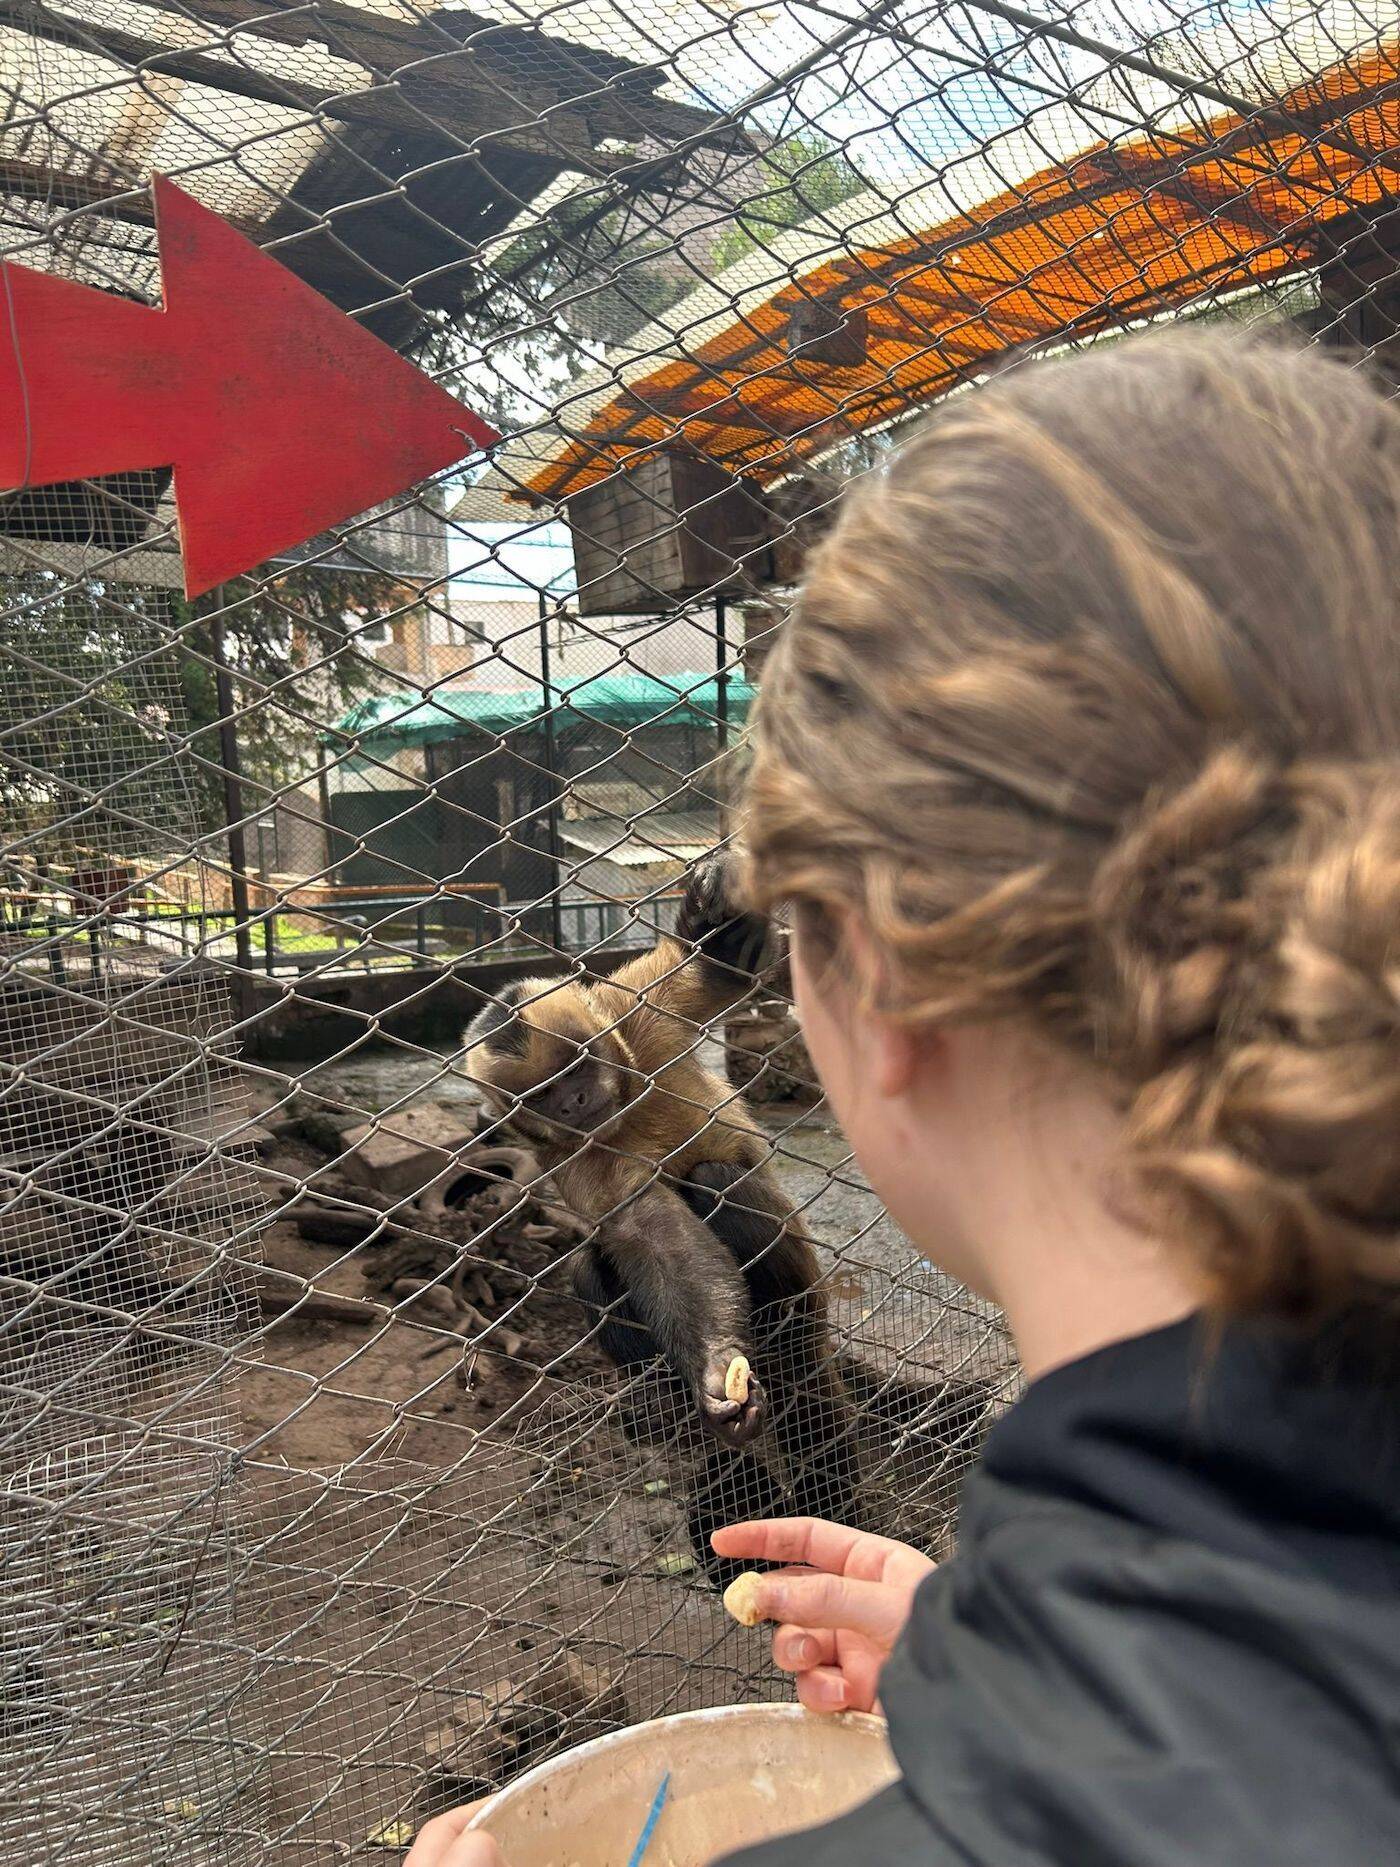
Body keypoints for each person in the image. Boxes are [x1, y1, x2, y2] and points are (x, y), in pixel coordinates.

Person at [407, 330, 1400, 1867]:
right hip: (725, 1273)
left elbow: (700, 969)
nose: (585, 1102)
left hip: (749, 1213)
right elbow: (661, 1253)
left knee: (780, 1350)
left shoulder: (635, 1006)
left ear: (874, 976)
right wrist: (1010, 1661)